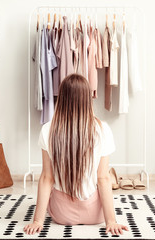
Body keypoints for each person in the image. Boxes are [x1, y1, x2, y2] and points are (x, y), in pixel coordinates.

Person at [23, 74, 128, 235]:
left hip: (61, 214)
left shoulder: (48, 130)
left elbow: (46, 178)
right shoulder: (102, 129)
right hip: (95, 214)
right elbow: (103, 178)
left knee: (52, 186)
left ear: (62, 97)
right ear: (87, 98)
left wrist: (37, 220)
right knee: (105, 177)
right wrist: (111, 221)